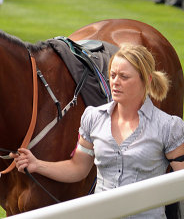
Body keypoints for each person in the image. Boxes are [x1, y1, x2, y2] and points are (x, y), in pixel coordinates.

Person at [11, 44, 184, 218]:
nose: (115, 82)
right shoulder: (93, 117)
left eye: (124, 77)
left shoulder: (168, 127)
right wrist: (37, 165)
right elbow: (78, 168)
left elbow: (181, 181)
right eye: (113, 75)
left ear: (146, 80)